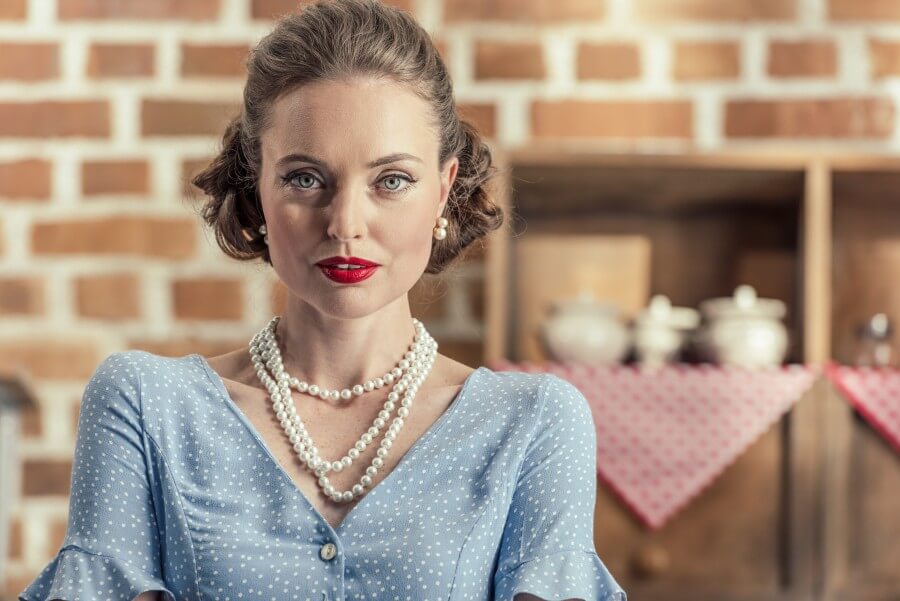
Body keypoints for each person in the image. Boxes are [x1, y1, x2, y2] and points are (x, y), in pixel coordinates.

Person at [18, 1, 626, 599]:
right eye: (305, 178)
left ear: (442, 191)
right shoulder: (147, 406)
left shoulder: (534, 422)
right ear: (256, 190)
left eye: (392, 180)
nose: (345, 224)